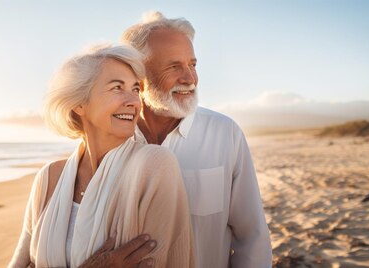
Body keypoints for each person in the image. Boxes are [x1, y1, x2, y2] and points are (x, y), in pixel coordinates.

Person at [8, 44, 195, 267]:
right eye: (117, 88)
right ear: (79, 103)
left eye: (135, 89)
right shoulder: (49, 178)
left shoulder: (154, 165)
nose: (134, 102)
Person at [116, 11, 273, 267]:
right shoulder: (110, 139)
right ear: (138, 75)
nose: (190, 78)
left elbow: (252, 237)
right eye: (174, 66)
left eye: (193, 64)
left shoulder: (226, 134)